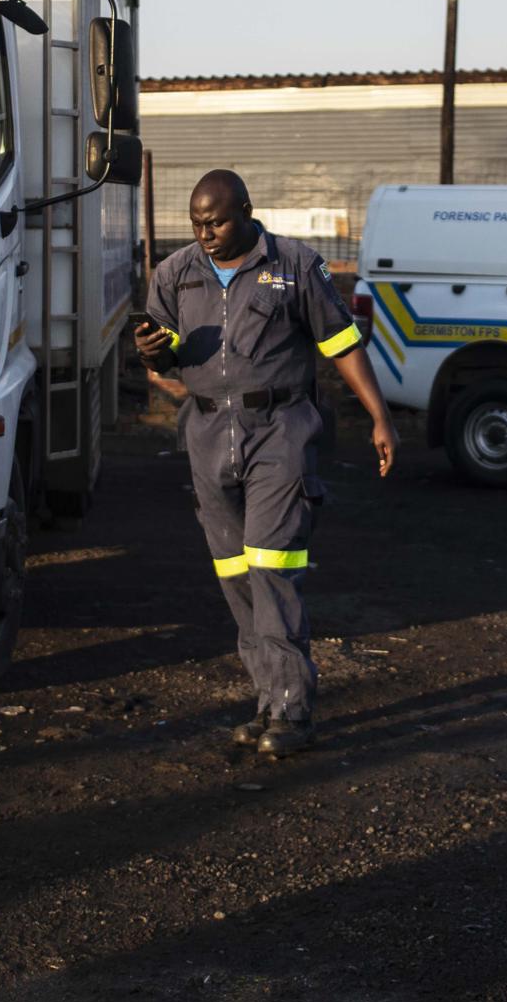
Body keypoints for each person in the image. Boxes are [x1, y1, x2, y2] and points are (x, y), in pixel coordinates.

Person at [135, 169, 398, 757]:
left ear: (247, 211)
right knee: (236, 575)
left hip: (280, 431)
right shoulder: (174, 274)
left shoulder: (296, 266)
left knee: (273, 566)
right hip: (206, 434)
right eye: (197, 223)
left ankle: (293, 711)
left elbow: (341, 344)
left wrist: (379, 416)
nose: (206, 233)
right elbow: (163, 352)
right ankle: (270, 698)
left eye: (218, 221)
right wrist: (154, 350)